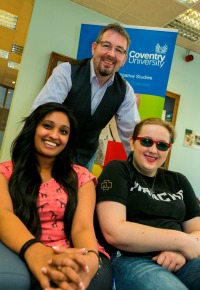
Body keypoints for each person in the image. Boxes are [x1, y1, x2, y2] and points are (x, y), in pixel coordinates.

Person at [0, 102, 112, 290]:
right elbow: (3, 215)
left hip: (81, 254)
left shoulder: (81, 176)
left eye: (64, 131)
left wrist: (91, 258)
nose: (54, 136)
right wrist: (35, 251)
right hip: (27, 252)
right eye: (47, 126)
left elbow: (82, 228)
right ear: (33, 128)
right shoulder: (5, 172)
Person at [95, 117, 200, 290]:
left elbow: (198, 231)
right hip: (132, 258)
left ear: (168, 149)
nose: (153, 150)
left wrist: (181, 251)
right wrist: (180, 241)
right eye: (146, 141)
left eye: (162, 145)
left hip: (181, 257)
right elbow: (114, 231)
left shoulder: (179, 180)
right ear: (132, 142)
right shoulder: (118, 170)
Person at [30, 23, 140, 171]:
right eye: (106, 45)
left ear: (124, 59)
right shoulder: (66, 72)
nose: (112, 54)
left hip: (85, 159)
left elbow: (132, 135)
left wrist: (139, 167)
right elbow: (40, 115)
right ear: (94, 48)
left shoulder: (125, 91)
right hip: (49, 151)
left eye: (119, 50)